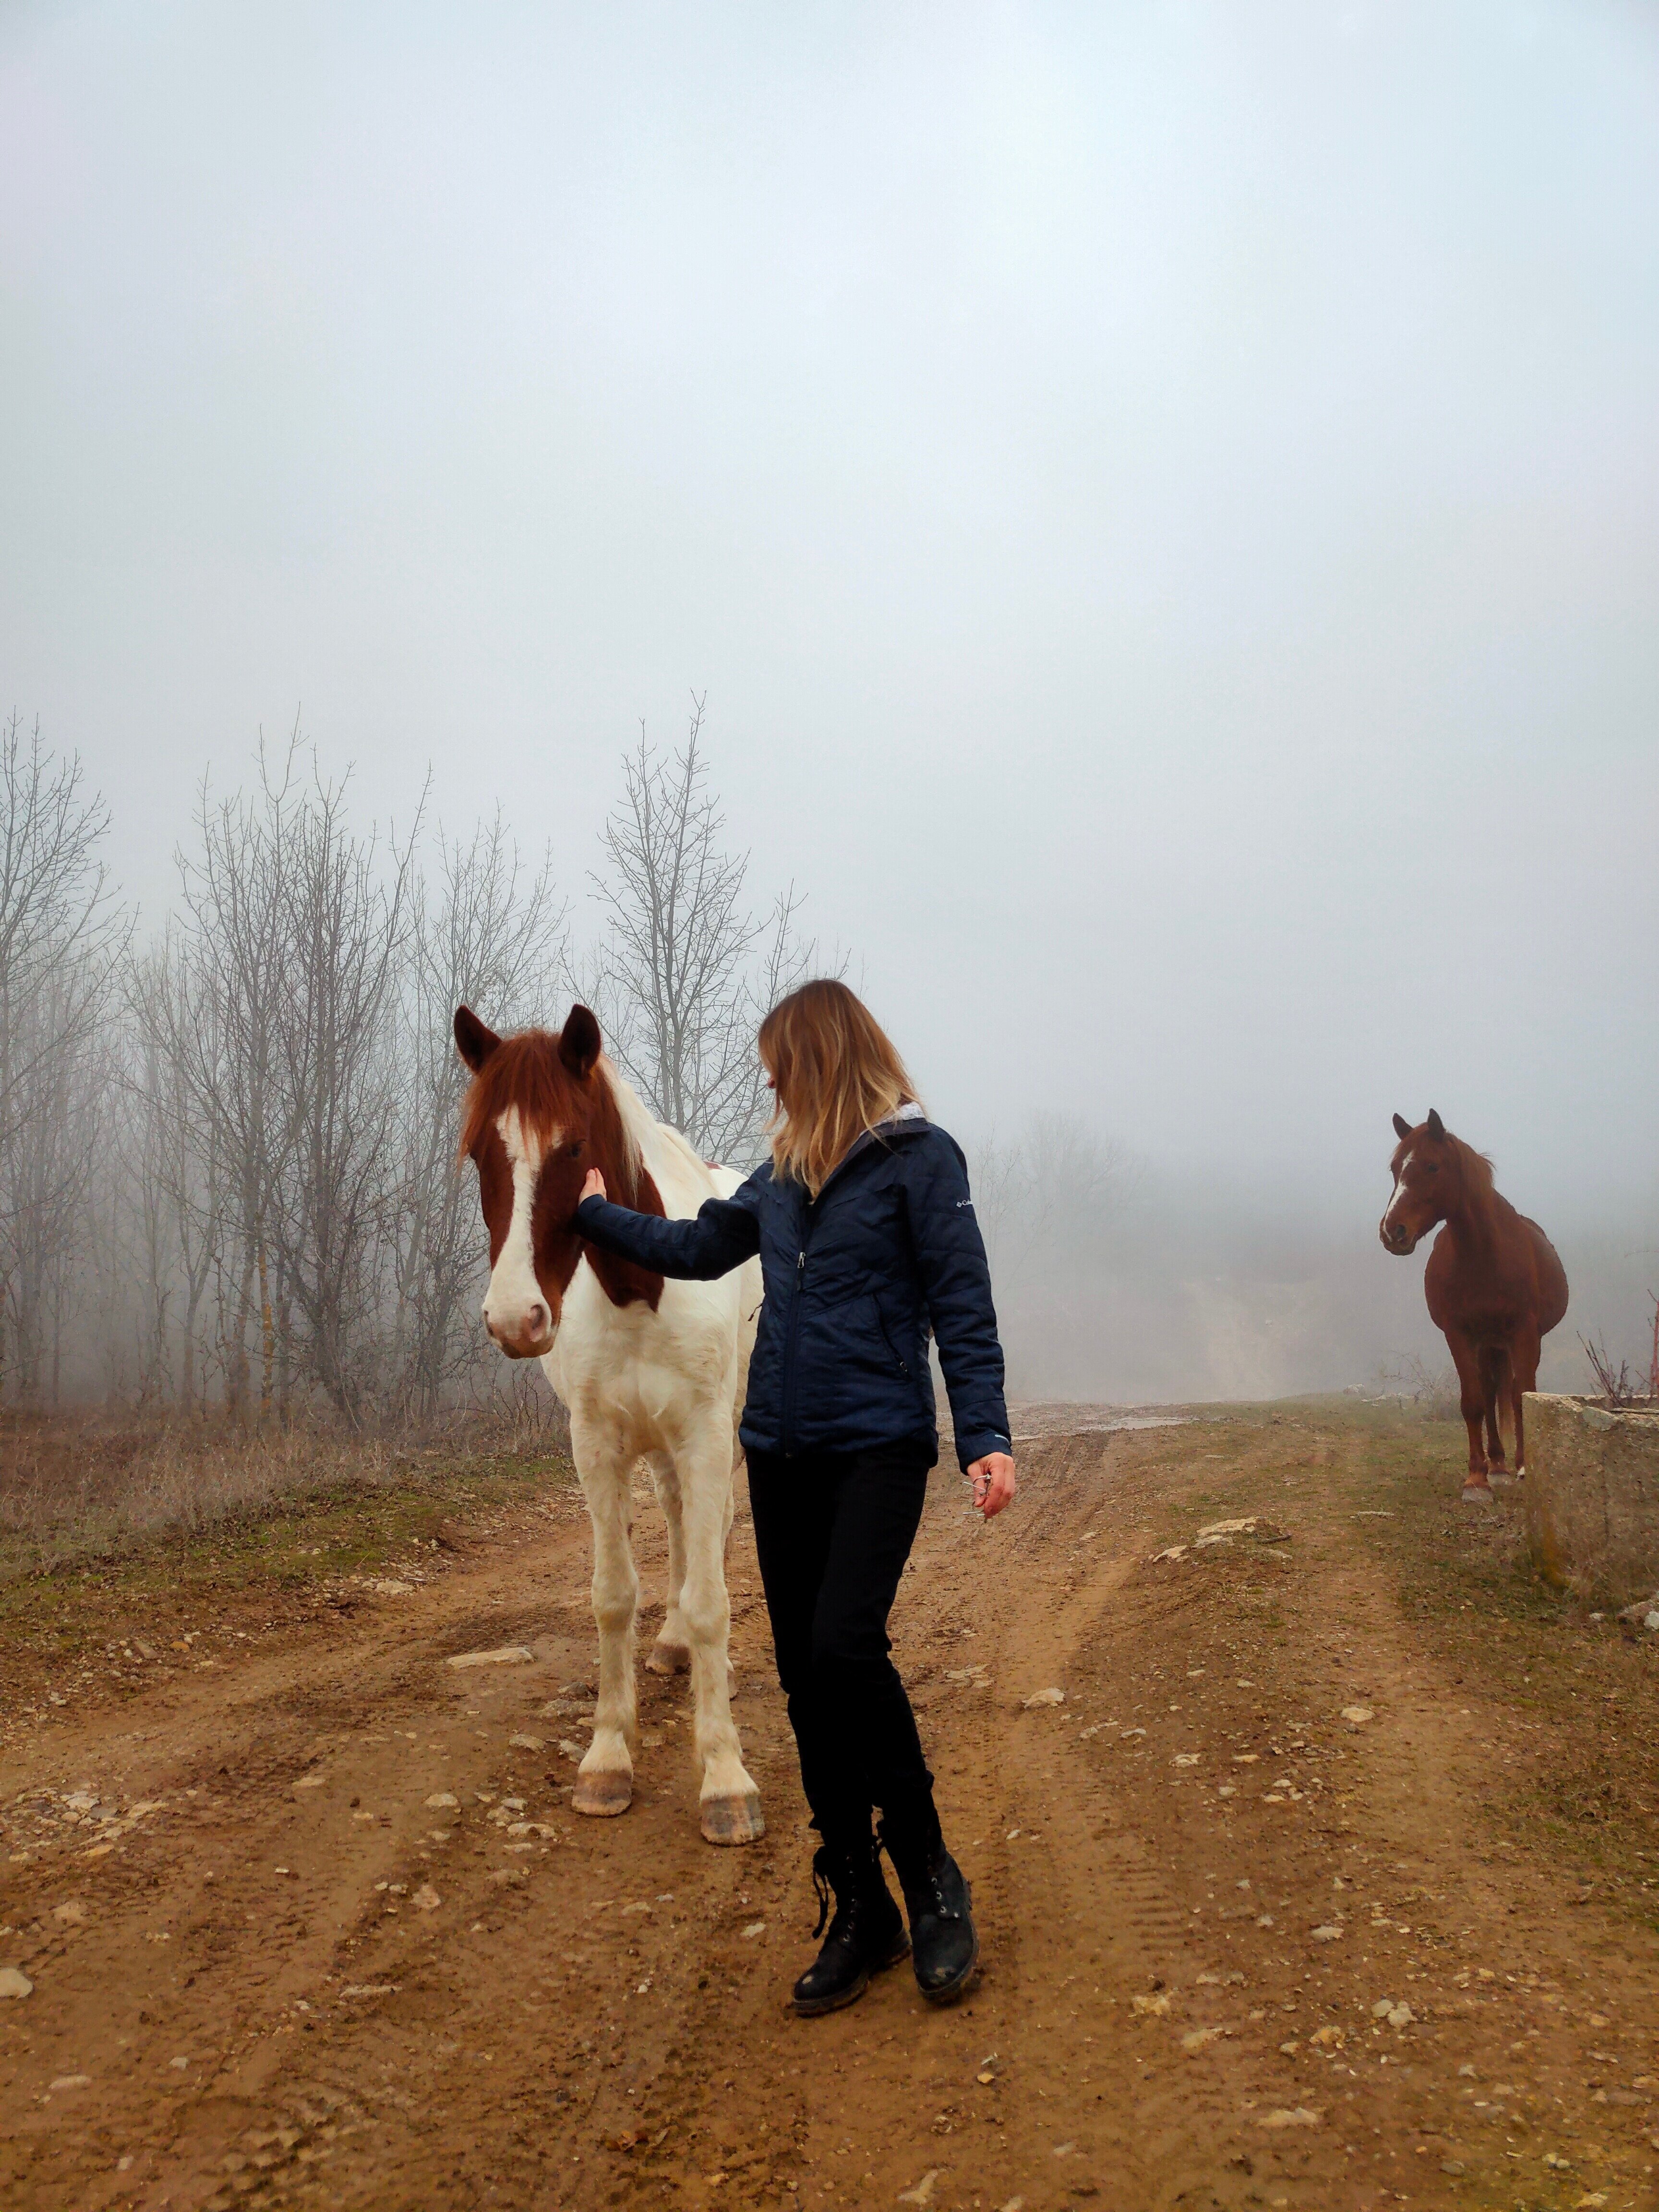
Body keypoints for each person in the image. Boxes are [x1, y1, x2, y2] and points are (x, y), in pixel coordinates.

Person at [573, 976, 1016, 2016]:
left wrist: (985, 1435)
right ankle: (863, 1907)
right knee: (809, 1687)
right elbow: (693, 1250)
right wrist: (596, 1213)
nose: (768, 1083)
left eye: (780, 1065)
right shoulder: (779, 1177)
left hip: (879, 1447)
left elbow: (964, 1302)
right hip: (777, 1449)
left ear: (818, 1058)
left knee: (844, 1652)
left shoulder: (922, 1163)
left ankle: (934, 1880)